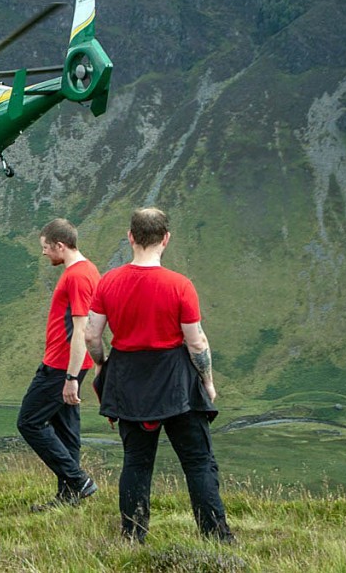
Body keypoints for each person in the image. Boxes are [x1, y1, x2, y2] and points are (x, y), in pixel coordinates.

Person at [85, 208, 233, 543]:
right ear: (166, 239)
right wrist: (207, 382)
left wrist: (101, 363)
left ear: (131, 237)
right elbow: (196, 342)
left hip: (128, 382)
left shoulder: (108, 282)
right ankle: (216, 538)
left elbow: (92, 335)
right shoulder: (180, 285)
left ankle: (133, 538)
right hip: (177, 383)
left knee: (136, 463)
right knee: (198, 463)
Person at [17, 218, 100, 510]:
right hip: (66, 363)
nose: (43, 253)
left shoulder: (77, 277)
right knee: (66, 431)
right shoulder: (86, 270)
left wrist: (70, 377)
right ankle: (68, 499)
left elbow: (81, 329)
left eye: (45, 248)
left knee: (29, 421)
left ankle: (78, 481)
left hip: (61, 366)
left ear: (60, 246)